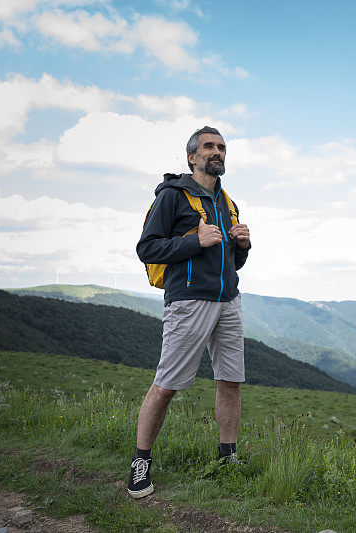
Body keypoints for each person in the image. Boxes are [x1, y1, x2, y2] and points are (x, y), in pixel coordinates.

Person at [127, 126, 251, 498]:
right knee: (167, 385)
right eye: (209, 147)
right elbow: (147, 249)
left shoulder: (228, 203)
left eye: (222, 147)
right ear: (192, 157)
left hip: (228, 300)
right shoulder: (172, 196)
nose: (218, 152)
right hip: (188, 302)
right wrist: (194, 240)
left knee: (230, 381)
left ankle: (227, 459)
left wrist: (243, 245)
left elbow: (234, 261)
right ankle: (140, 464)